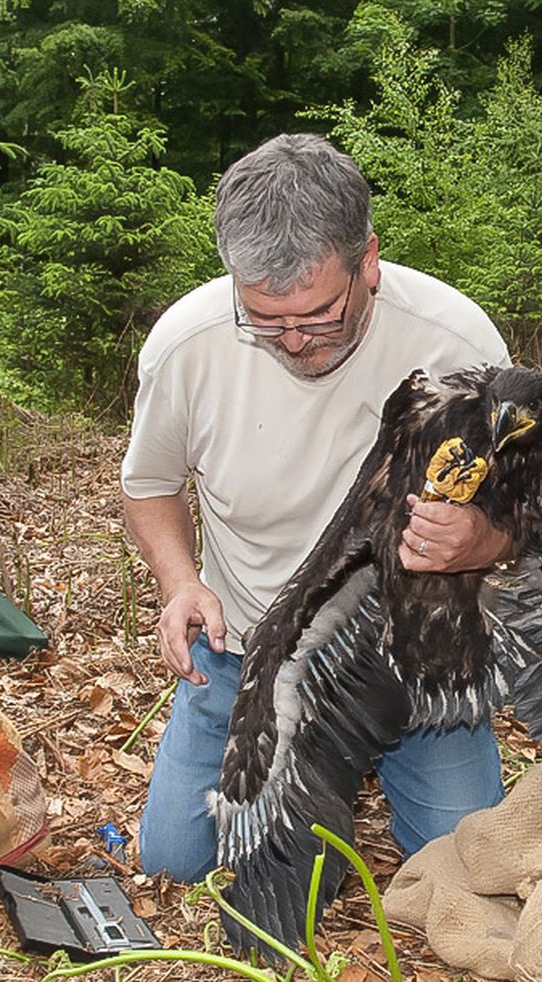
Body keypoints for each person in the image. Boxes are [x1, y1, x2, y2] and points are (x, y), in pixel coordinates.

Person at [120, 132, 514, 882]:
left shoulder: (458, 344)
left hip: (416, 657)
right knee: (175, 866)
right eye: (264, 319)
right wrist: (180, 582)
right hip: (247, 655)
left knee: (474, 871)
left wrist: (476, 541)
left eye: (318, 315)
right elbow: (149, 486)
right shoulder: (187, 345)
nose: (294, 342)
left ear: (367, 261)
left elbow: (518, 517)